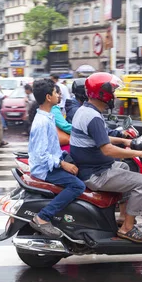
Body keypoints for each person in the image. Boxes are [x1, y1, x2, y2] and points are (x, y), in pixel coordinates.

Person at [70, 72, 142, 244]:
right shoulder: (93, 117)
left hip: (91, 168)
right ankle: (127, 228)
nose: (114, 95)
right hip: (95, 174)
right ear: (102, 93)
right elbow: (108, 150)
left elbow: (101, 138)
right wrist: (140, 153)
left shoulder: (85, 111)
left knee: (126, 168)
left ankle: (124, 217)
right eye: (112, 90)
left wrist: (126, 140)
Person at [28, 79, 85, 238]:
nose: (59, 95)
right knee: (77, 186)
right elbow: (41, 154)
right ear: (48, 97)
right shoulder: (42, 122)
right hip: (45, 169)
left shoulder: (48, 116)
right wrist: (63, 164)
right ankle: (42, 217)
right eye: (55, 92)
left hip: (53, 161)